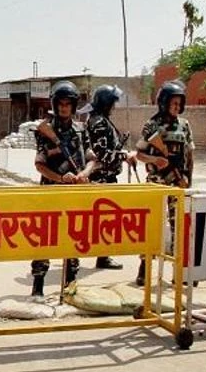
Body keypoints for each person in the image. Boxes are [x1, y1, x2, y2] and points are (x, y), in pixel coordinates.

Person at [30, 81, 97, 297]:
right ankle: (38, 284)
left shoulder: (80, 130)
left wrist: (84, 174)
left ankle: (70, 283)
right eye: (61, 104)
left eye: (68, 104)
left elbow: (91, 158)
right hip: (50, 193)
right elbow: (40, 164)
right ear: (55, 105)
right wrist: (60, 178)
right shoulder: (46, 130)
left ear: (74, 106)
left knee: (74, 237)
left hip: (74, 194)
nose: (64, 108)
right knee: (45, 239)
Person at [134, 80, 194, 286]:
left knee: (179, 227)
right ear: (164, 103)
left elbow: (189, 154)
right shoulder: (152, 125)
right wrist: (156, 160)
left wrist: (187, 179)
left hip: (178, 183)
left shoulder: (185, 125)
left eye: (180, 103)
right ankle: (144, 267)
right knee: (153, 225)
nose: (177, 107)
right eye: (173, 103)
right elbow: (139, 154)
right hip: (156, 182)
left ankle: (180, 271)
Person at [85, 84, 136, 271]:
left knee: (106, 220)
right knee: (104, 220)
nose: (115, 106)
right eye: (113, 102)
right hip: (101, 179)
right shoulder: (98, 122)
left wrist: (120, 146)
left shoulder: (102, 120)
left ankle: (103, 255)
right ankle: (101, 256)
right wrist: (125, 156)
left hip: (106, 179)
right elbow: (103, 154)